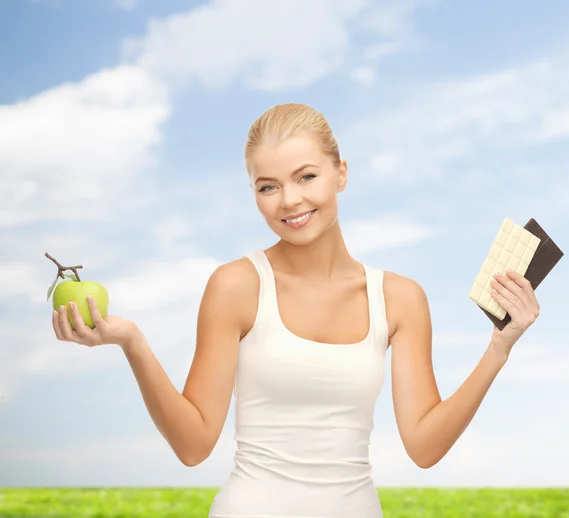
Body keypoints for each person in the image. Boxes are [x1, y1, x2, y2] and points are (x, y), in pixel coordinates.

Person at [51, 103, 541, 517]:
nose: (289, 200)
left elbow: (425, 447)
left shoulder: (400, 298)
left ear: (341, 173)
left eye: (306, 176)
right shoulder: (236, 286)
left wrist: (499, 347)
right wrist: (132, 341)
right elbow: (194, 445)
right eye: (268, 186)